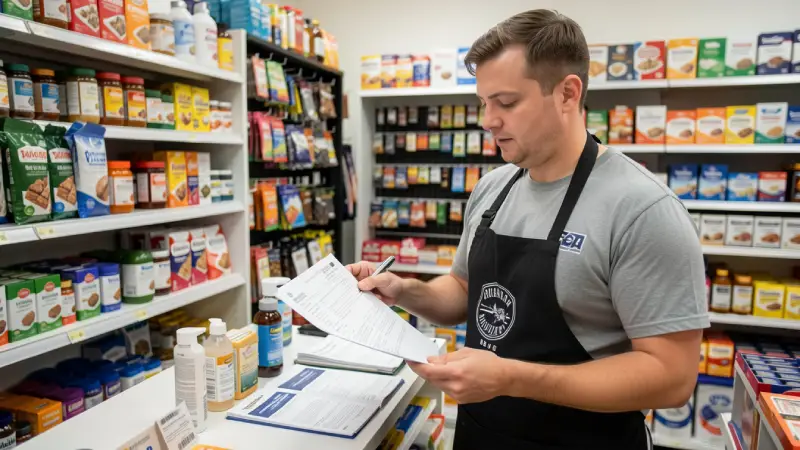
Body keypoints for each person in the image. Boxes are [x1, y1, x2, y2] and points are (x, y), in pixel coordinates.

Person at [348, 8, 708, 450]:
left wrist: (512, 377)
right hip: (482, 436)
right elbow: (464, 289)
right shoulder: (493, 188)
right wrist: (403, 291)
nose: (487, 121)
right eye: (484, 102)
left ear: (567, 94)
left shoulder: (642, 209)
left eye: (506, 102)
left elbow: (671, 377)